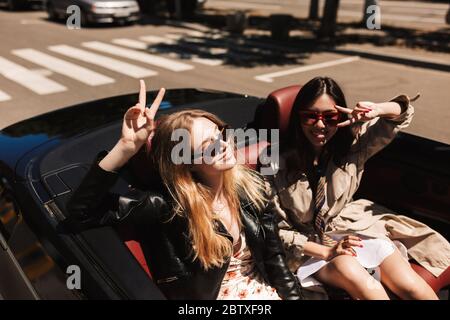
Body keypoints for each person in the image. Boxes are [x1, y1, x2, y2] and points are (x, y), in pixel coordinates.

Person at [66, 80, 303, 300]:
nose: (223, 146)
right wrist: (126, 147)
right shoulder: (167, 208)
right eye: (208, 147)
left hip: (263, 291)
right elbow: (81, 212)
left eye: (221, 134)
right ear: (187, 162)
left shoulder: (253, 186)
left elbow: (275, 260)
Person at [266, 76, 449, 300]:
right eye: (310, 116)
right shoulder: (274, 160)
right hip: (307, 246)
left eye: (330, 117)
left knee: (411, 285)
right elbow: (271, 229)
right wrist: (325, 251)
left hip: (349, 227)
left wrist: (378, 109)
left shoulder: (352, 145)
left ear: (340, 116)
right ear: (298, 118)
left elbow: (400, 115)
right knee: (363, 283)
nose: (320, 125)